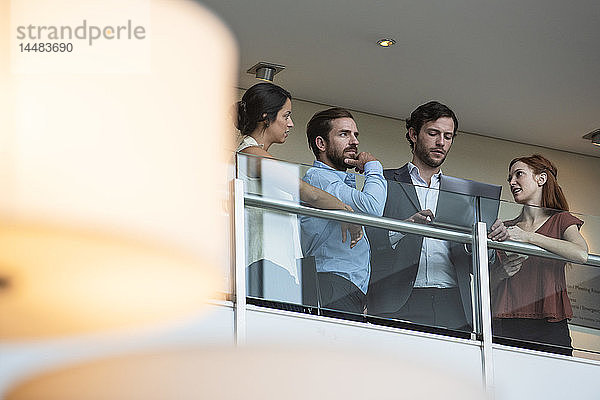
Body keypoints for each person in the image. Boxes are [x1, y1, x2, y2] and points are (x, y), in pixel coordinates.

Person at [366, 101, 508, 331]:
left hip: (454, 303)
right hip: (396, 300)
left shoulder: (463, 196)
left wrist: (485, 239)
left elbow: (483, 264)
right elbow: (366, 237)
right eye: (433, 133)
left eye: (448, 136)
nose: (441, 142)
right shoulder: (384, 180)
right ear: (413, 134)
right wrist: (404, 227)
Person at [235, 83, 361, 302]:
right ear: (266, 116)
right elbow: (306, 192)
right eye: (286, 115)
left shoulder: (254, 154)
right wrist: (346, 212)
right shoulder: (250, 154)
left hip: (277, 264)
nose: (291, 123)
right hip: (263, 263)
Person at [490, 154, 588, 355]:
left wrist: (529, 238)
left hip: (550, 324)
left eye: (519, 175)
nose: (512, 182)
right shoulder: (505, 229)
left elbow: (581, 254)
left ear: (541, 179)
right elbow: (485, 285)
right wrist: (500, 273)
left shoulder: (562, 220)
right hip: (505, 323)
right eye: (509, 178)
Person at [300, 107, 387, 316]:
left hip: (345, 287)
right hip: (331, 282)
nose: (354, 141)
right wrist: (373, 167)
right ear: (321, 143)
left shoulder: (340, 183)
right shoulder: (319, 178)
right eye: (344, 134)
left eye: (355, 135)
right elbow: (372, 207)